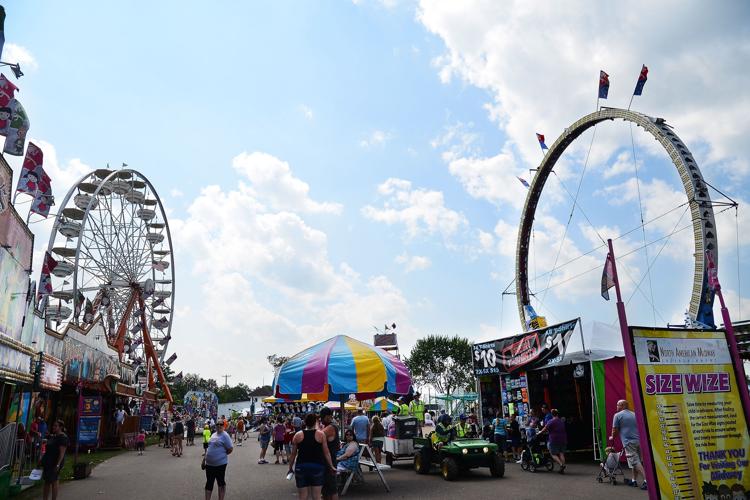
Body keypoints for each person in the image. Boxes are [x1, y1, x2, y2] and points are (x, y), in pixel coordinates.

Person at [288, 413, 336, 500]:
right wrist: (331, 465)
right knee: (317, 496)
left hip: (301, 466)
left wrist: (290, 467)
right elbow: (326, 453)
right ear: (315, 422)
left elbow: (293, 454)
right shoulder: (321, 435)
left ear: (304, 422)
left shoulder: (297, 435)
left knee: (303, 496)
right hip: (317, 466)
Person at [611, 399, 647, 490]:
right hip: (639, 441)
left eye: (618, 405)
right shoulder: (634, 414)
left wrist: (612, 437)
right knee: (635, 461)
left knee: (635, 462)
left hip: (628, 442)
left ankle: (647, 481)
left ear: (623, 406)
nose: (617, 407)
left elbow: (614, 430)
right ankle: (633, 480)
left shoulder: (617, 415)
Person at [204, 419, 233, 500]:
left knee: (220, 483)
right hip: (209, 464)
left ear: (224, 426)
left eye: (221, 424)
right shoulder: (213, 434)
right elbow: (209, 447)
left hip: (220, 464)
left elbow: (230, 449)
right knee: (209, 483)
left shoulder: (225, 435)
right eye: (218, 424)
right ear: (215, 425)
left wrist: (221, 455)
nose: (219, 425)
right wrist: (204, 460)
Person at [40, 419, 68, 500]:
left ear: (61, 427)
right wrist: (42, 459)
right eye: (53, 425)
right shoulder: (54, 436)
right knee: (47, 481)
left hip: (55, 462)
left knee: (54, 481)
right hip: (48, 461)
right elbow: (48, 449)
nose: (53, 427)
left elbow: (62, 453)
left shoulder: (63, 438)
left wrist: (58, 464)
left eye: (56, 426)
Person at [320, 407, 341, 500]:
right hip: (328, 461)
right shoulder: (330, 426)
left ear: (328, 417)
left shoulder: (331, 427)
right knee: (326, 488)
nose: (321, 419)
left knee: (332, 488)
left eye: (322, 417)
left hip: (330, 461)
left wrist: (315, 423)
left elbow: (317, 435)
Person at [539, 409, 567, 473]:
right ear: (557, 414)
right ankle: (563, 465)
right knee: (561, 453)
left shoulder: (551, 421)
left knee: (553, 454)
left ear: (552, 414)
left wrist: (539, 432)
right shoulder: (561, 421)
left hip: (554, 439)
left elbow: (544, 429)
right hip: (563, 439)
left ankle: (561, 465)